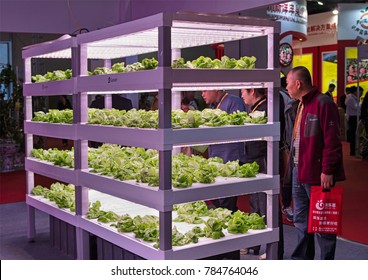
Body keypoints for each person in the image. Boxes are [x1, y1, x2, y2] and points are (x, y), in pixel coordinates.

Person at [286, 66, 345, 260]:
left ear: (298, 83)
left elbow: (332, 141)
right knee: (302, 222)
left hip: (316, 174)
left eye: (288, 83)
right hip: (298, 172)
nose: (286, 87)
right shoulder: (300, 104)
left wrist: (327, 170)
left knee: (323, 225)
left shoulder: (323, 103)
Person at [201, 90, 246, 212]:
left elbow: (238, 129)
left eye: (205, 90)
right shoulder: (212, 106)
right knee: (216, 197)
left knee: (227, 202)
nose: (202, 94)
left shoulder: (233, 102)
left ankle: (230, 223)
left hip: (230, 160)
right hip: (216, 160)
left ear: (215, 88)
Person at [345, 86, 359, 156]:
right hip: (353, 117)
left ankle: (354, 150)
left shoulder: (352, 98)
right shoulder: (351, 98)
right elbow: (356, 106)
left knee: (353, 134)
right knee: (353, 134)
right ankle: (353, 151)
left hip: (353, 117)